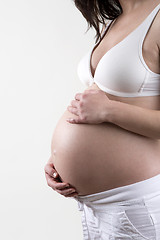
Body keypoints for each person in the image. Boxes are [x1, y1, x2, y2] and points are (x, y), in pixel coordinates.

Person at [44, 0, 160, 239]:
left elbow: (105, 107)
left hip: (136, 202)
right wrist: (58, 160)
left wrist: (109, 111)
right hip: (95, 207)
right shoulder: (115, 19)